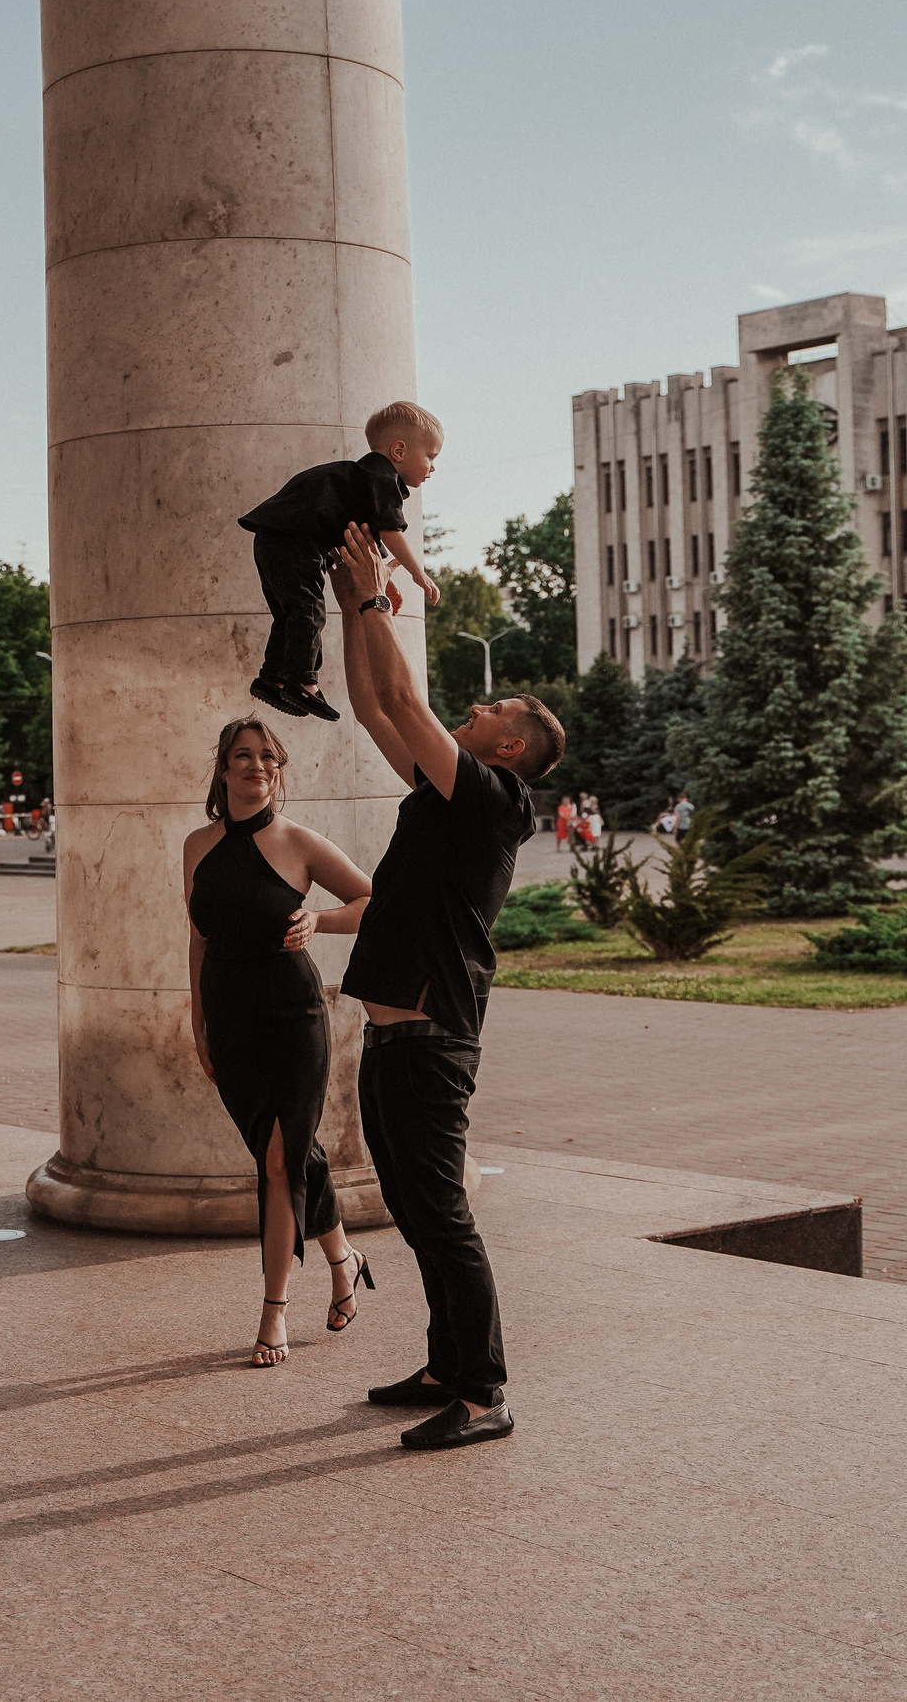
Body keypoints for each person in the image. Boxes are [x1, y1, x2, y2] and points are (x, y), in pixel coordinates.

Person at [328, 521, 565, 1451]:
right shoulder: (443, 794)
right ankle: (441, 1360)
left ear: (507, 750)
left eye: (487, 715)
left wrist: (377, 599)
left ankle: (483, 1389)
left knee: (444, 1216)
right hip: (395, 1034)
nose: (471, 713)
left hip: (431, 1034)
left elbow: (405, 698)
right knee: (419, 1212)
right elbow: (373, 705)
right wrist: (355, 606)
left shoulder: (496, 802)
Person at [184, 716, 377, 1368]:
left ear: (279, 769)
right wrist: (196, 1018)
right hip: (230, 1020)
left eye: (267, 756)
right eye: (242, 755)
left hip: (294, 1018)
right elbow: (199, 937)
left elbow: (370, 900)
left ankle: (273, 1314)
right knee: (294, 1157)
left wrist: (319, 917)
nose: (256, 765)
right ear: (222, 768)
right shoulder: (197, 846)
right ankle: (344, 1258)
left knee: (276, 1163)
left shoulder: (298, 842)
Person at [234, 401, 443, 722]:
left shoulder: (359, 480)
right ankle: (303, 681)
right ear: (399, 451)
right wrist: (419, 573)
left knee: (289, 614)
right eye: (431, 456)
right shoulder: (382, 477)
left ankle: (272, 677)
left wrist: (384, 580)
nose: (433, 467)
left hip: (274, 537)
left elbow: (362, 543)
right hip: (293, 539)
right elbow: (389, 532)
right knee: (309, 611)